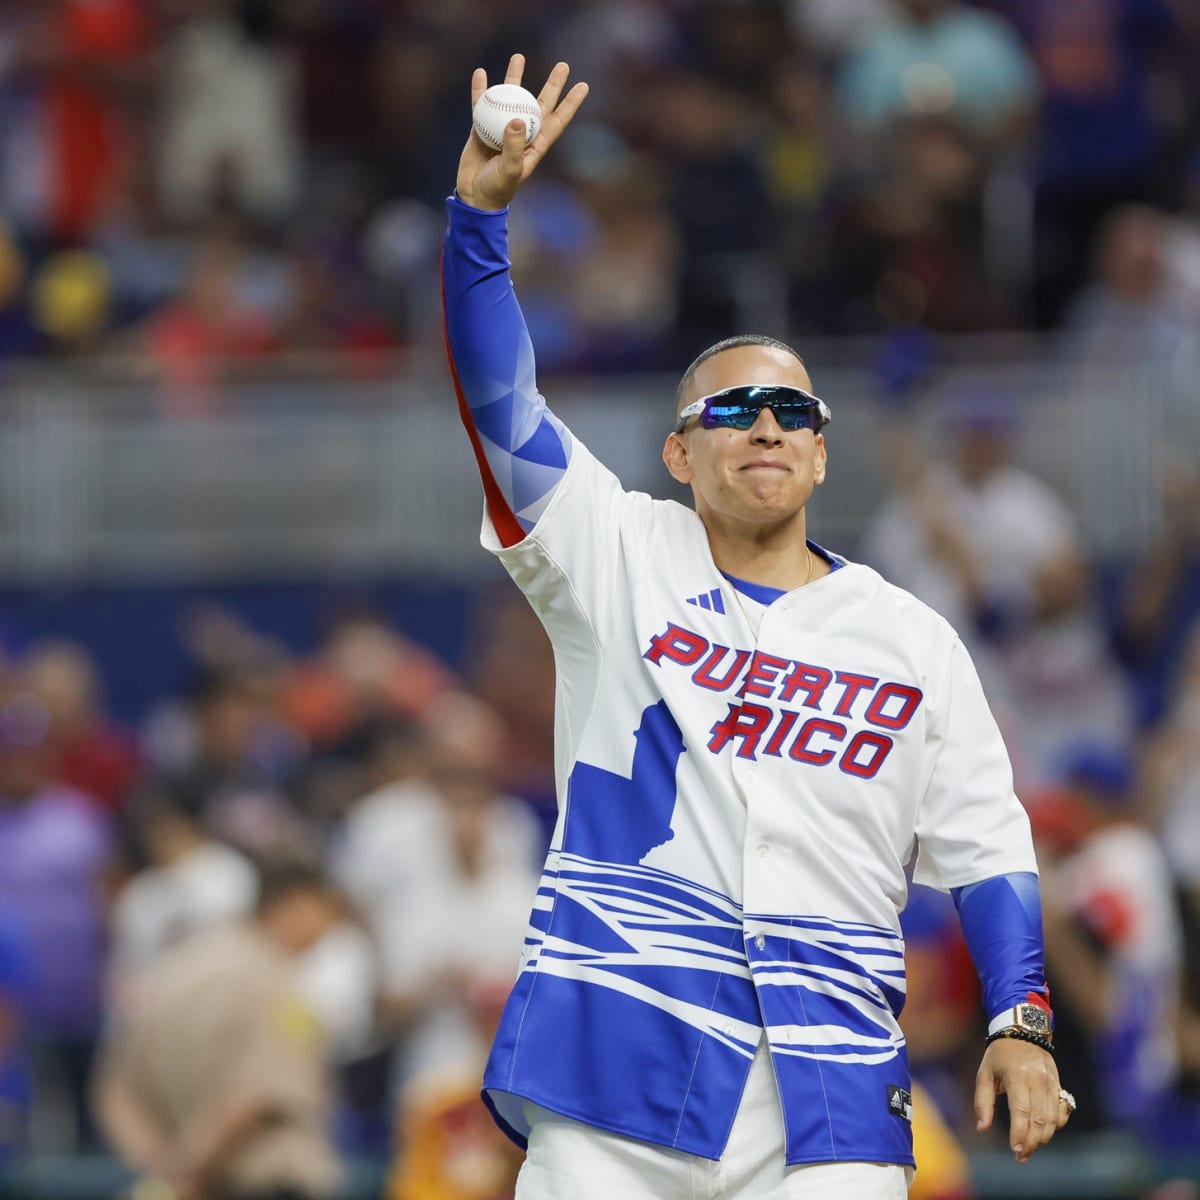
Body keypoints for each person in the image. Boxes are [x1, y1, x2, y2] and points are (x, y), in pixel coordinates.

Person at [442, 55, 1073, 1199]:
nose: (765, 425)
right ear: (682, 454)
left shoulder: (911, 637)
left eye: (793, 410)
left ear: (823, 454)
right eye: (730, 409)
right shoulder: (617, 551)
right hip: (619, 1067)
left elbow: (987, 852)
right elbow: (503, 408)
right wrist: (477, 226)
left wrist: (1019, 1022)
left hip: (830, 1091)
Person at [94, 862, 345, 1200]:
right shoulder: (277, 983)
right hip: (259, 1184)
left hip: (181, 1184)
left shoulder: (168, 973)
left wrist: (164, 1168)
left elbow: (115, 1094)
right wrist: (194, 1167)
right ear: (296, 906)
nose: (326, 933)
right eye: (326, 915)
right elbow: (254, 1103)